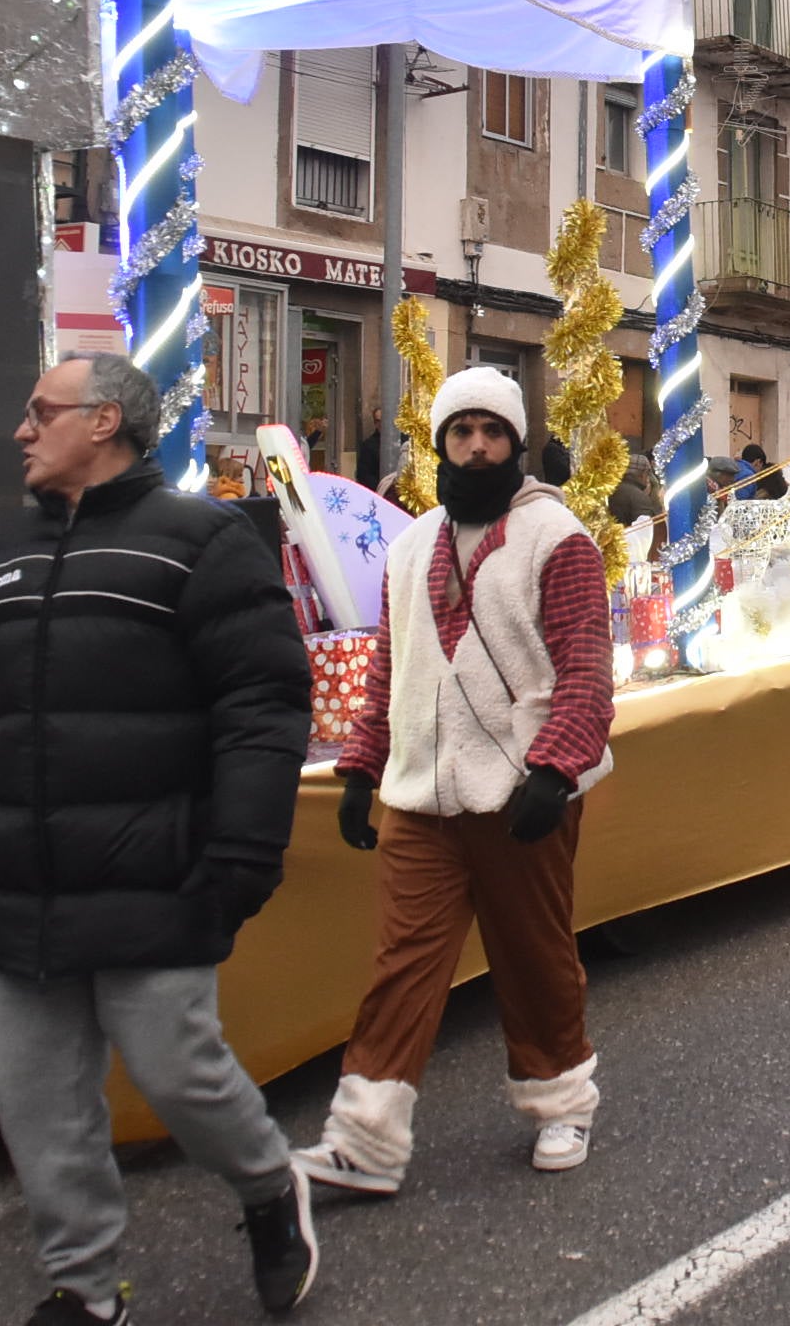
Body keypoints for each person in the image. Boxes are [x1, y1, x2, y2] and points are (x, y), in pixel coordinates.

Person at [0, 353, 317, 1324]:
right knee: (39, 1108)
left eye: (42, 411)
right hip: (19, 892)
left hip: (152, 876)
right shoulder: (0, 561)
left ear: (106, 420)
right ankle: (85, 1286)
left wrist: (245, 848)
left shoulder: (202, 541)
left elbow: (263, 701)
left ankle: (266, 1185)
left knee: (180, 1075)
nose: (21, 429)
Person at [297, 367, 612, 1201]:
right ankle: (365, 1138)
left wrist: (556, 766)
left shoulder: (559, 538)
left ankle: (560, 1100)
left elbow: (585, 666)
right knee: (402, 963)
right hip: (420, 794)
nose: (476, 446)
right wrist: (362, 767)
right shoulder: (408, 546)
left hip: (520, 792)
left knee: (532, 955)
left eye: (492, 432)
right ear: (439, 442)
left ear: (515, 442)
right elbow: (391, 672)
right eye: (461, 431)